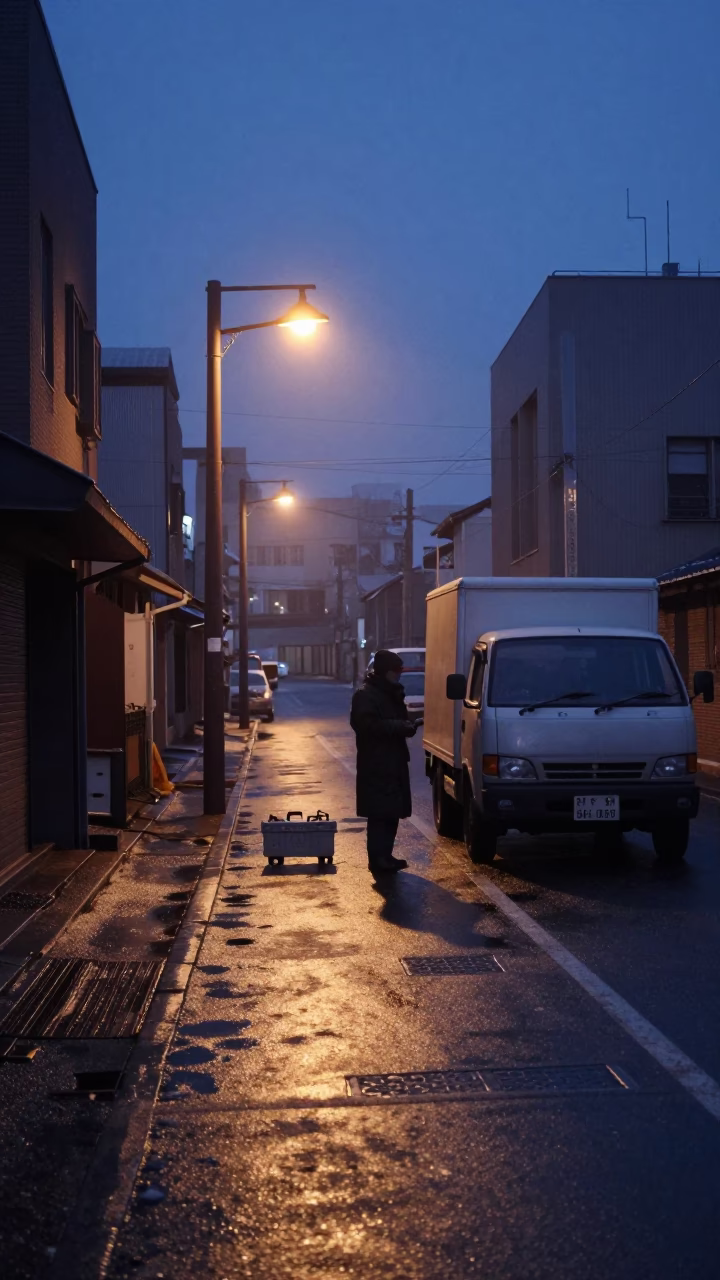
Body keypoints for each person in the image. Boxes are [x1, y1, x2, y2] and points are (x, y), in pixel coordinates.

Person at [350, 649, 417, 874]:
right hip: (376, 763)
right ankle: (378, 859)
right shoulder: (365, 695)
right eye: (396, 671)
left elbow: (397, 720)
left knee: (392, 811)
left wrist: (408, 725)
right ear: (385, 671)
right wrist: (398, 726)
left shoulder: (390, 693)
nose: (399, 674)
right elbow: (366, 725)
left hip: (393, 760)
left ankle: (386, 855)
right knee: (379, 813)